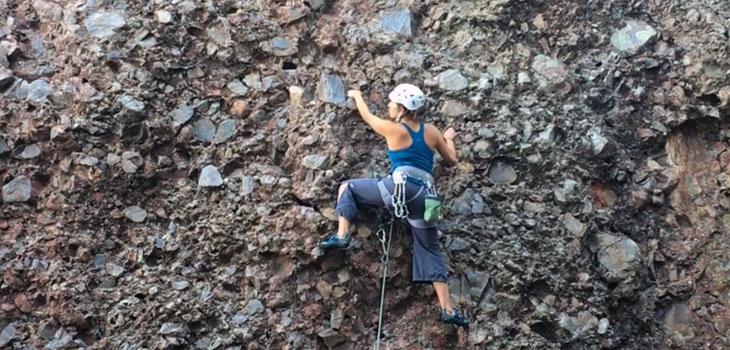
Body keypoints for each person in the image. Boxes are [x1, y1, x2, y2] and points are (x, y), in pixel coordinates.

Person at [318, 83, 468, 326]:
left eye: (391, 103)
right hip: (426, 197)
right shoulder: (432, 132)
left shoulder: (393, 130)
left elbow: (367, 117)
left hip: (400, 189)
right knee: (430, 248)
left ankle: (342, 234)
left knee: (348, 187)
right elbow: (451, 160)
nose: (388, 106)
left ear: (401, 109)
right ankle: (448, 309)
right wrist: (448, 139)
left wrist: (357, 96)